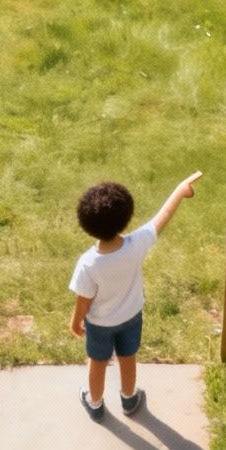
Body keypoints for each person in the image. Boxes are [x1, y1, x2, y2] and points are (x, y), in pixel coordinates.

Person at [67, 170, 201, 421]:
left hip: (99, 325)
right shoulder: (137, 244)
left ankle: (94, 404)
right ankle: (129, 399)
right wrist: (180, 190)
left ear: (86, 225)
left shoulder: (88, 264)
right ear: (126, 219)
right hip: (131, 318)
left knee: (97, 363)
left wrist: (75, 322)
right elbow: (162, 217)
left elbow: (83, 300)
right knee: (128, 358)